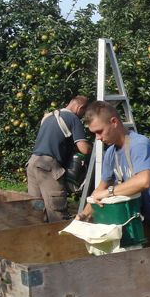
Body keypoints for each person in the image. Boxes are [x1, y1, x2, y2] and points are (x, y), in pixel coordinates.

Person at [77, 101, 150, 224]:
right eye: (94, 133)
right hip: (144, 223)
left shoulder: (139, 144)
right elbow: (99, 191)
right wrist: (83, 215)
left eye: (100, 131)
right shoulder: (110, 153)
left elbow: (144, 181)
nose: (97, 138)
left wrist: (108, 193)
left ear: (114, 122)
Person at [27, 94, 91, 222]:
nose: (83, 116)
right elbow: (83, 148)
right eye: (84, 112)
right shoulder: (73, 118)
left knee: (36, 209)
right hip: (47, 166)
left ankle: (36, 238)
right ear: (80, 107)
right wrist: (95, 147)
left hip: (32, 163)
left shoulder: (48, 117)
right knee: (57, 211)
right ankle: (60, 241)